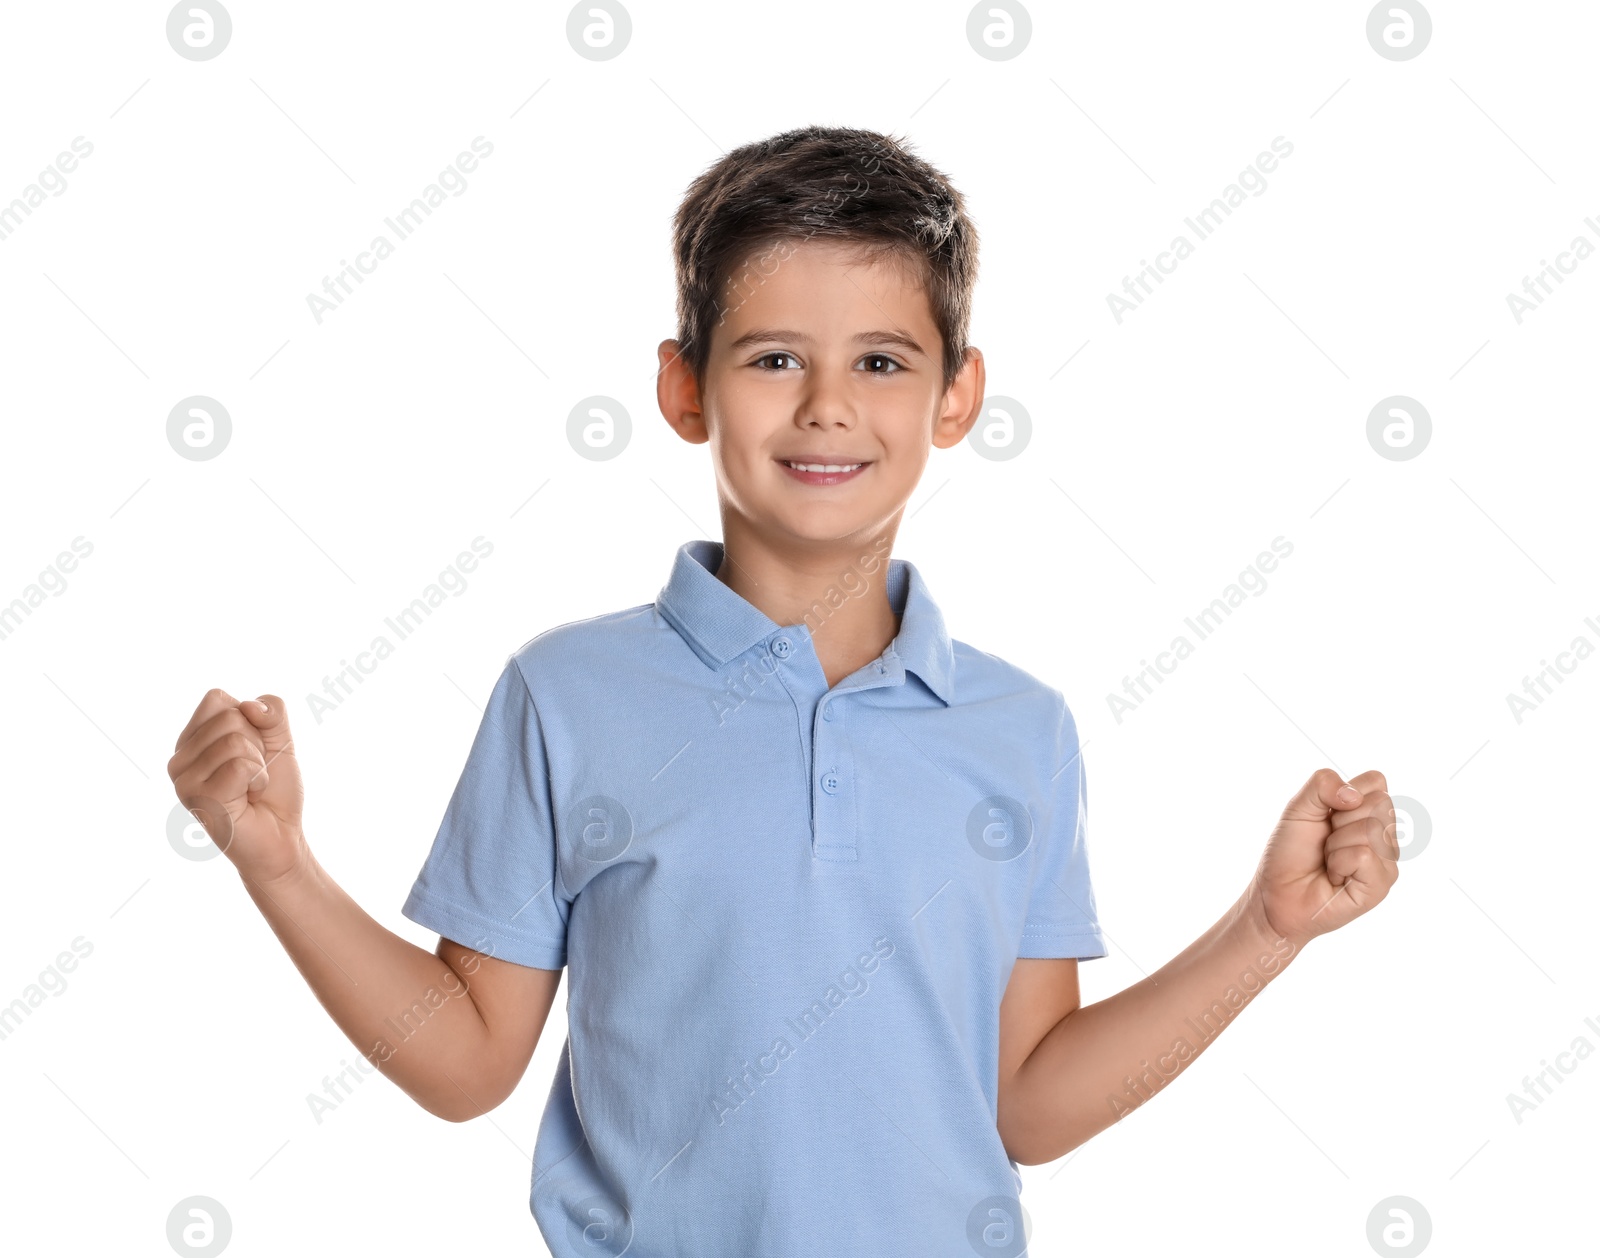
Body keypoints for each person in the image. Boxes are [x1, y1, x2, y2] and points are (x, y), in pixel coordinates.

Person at [167, 124, 1400, 1257]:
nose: (826, 406)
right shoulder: (566, 695)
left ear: (955, 396)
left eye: (879, 359)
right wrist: (279, 863)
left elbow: (1025, 1101)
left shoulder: (1021, 731)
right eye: (772, 357)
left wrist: (1265, 930)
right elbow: (466, 1062)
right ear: (684, 387)